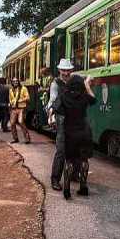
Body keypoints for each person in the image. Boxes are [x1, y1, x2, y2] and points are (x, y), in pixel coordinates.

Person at [51, 74, 96, 200]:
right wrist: (87, 85)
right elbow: (93, 99)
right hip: (85, 131)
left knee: (69, 160)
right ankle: (83, 187)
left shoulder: (64, 97)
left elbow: (56, 109)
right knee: (84, 159)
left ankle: (66, 189)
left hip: (70, 131)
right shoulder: (84, 97)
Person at [48, 59, 74, 191]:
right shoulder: (55, 84)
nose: (66, 72)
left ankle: (73, 174)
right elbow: (52, 100)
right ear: (59, 70)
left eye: (68, 70)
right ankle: (55, 179)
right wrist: (51, 115)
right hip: (62, 118)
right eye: (64, 70)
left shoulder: (73, 82)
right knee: (61, 150)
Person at [9, 78, 31, 144]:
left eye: (16, 81)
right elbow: (10, 99)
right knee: (12, 123)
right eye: (14, 81)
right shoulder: (11, 90)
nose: (15, 82)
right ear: (12, 82)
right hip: (14, 108)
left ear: (18, 82)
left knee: (21, 122)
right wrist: (11, 102)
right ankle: (15, 138)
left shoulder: (23, 88)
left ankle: (27, 138)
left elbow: (27, 97)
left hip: (21, 108)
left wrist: (20, 100)